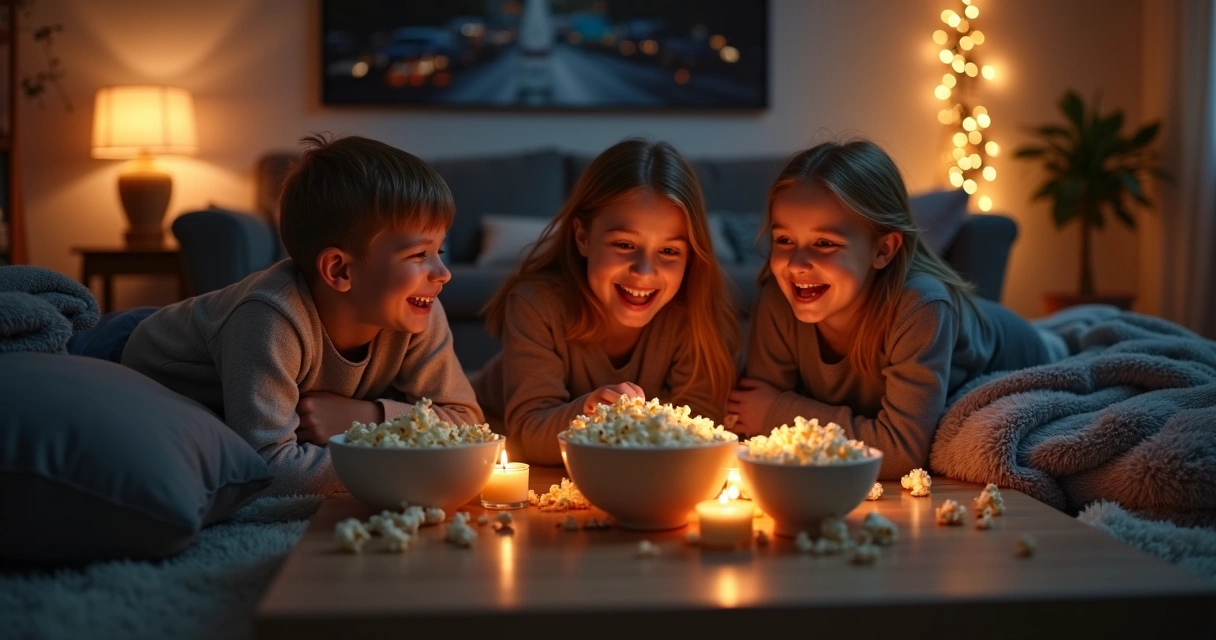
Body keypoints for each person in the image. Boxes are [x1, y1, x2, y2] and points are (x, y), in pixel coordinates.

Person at [121, 134, 483, 495]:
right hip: (132, 361)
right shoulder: (270, 318)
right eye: (419, 255)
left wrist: (369, 417)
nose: (443, 273)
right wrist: (413, 464)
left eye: (441, 250)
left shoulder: (418, 309)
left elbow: (468, 426)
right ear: (340, 270)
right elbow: (268, 468)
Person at [726, 139, 1065, 479]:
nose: (796, 264)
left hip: (1022, 346)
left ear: (883, 250)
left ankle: (1064, 334)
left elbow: (902, 453)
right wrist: (767, 414)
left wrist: (777, 413)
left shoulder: (920, 306)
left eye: (824, 243)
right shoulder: (779, 298)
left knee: (1067, 339)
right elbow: (750, 415)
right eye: (784, 240)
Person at [473, 139, 739, 465]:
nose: (644, 271)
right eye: (624, 244)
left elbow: (702, 427)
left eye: (669, 251)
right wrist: (591, 413)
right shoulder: (537, 305)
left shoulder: (693, 311)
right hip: (499, 436)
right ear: (583, 238)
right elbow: (529, 432)